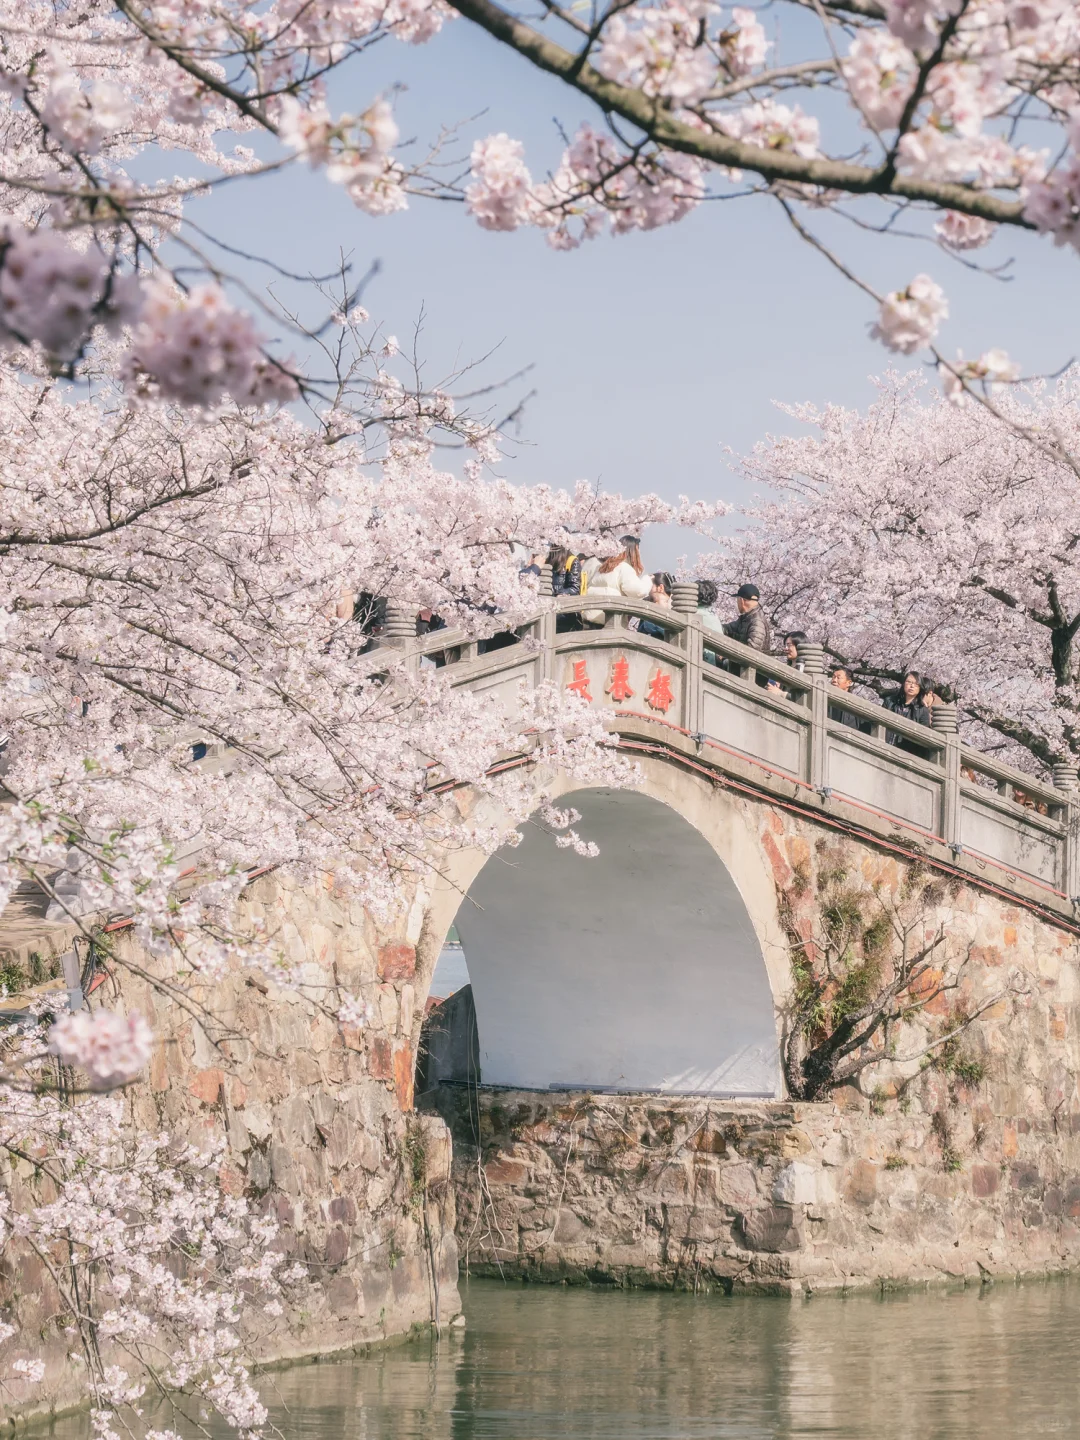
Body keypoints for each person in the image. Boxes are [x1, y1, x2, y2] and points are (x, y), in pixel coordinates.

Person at [582, 535, 653, 625]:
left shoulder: (602, 566)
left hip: (589, 619)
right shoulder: (624, 568)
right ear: (632, 552)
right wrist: (648, 580)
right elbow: (639, 592)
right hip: (609, 622)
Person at [884, 670, 931, 756]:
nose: (912, 686)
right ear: (903, 684)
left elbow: (923, 737)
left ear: (920, 687)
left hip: (904, 753)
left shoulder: (922, 710)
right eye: (909, 682)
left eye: (916, 684)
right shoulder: (890, 701)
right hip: (884, 746)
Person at [722, 583, 771, 653]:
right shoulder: (747, 618)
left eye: (737, 600)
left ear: (741, 600)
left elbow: (751, 651)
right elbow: (728, 629)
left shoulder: (757, 622)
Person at [828, 665, 871, 733]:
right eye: (833, 677)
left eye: (838, 678)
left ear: (849, 683)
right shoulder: (826, 699)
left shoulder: (856, 705)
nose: (834, 680)